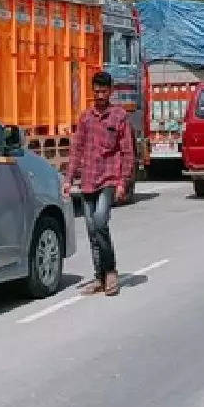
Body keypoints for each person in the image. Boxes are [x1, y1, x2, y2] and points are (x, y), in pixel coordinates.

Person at [62, 71, 134, 297]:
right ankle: (99, 277)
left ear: (111, 91)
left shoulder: (119, 116)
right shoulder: (85, 118)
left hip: (109, 179)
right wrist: (68, 179)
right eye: (97, 91)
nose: (100, 95)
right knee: (92, 230)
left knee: (100, 221)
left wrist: (123, 182)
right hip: (88, 181)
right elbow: (77, 150)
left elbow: (127, 152)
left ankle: (110, 270)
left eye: (104, 91)